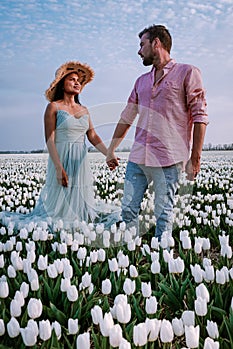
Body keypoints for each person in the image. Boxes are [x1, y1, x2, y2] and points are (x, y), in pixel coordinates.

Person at [106, 25, 208, 241]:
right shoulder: (141, 81)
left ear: (156, 43)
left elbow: (200, 115)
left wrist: (195, 158)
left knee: (163, 215)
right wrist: (111, 149)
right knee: (128, 211)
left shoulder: (187, 72)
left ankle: (162, 258)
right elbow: (126, 117)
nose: (139, 50)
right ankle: (130, 256)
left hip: (169, 157)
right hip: (139, 157)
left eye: (142, 44)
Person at [0, 61, 120, 233]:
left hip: (80, 158)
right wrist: (58, 167)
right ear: (62, 85)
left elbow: (92, 136)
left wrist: (109, 154)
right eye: (72, 79)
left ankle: (77, 224)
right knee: (60, 201)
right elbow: (49, 139)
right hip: (61, 156)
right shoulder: (53, 107)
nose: (77, 82)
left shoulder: (84, 110)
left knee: (79, 198)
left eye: (78, 80)